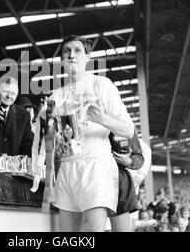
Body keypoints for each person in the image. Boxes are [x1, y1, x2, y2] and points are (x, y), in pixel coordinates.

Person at [32, 35, 134, 232]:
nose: (71, 55)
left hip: (96, 165)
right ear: (61, 60)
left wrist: (102, 118)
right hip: (67, 168)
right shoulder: (55, 96)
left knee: (91, 229)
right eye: (66, 51)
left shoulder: (102, 84)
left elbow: (128, 130)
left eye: (77, 51)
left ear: (88, 57)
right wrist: (45, 123)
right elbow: (49, 141)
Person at [0, 76, 34, 157]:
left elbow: (27, 145)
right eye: (5, 92)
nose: (9, 96)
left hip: (14, 167)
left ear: (17, 94)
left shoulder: (24, 115)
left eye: (13, 93)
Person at [108, 128, 144, 232]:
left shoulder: (126, 124)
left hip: (118, 182)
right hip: (89, 177)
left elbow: (139, 157)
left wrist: (128, 161)